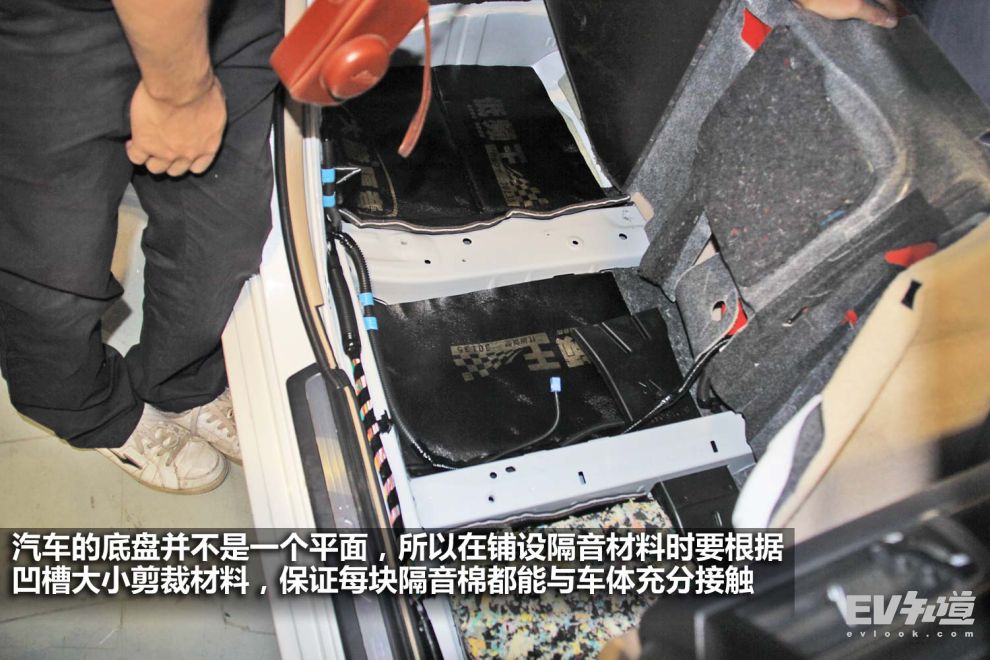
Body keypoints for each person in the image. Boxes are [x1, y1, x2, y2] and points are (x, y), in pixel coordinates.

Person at [0, 0, 281, 493]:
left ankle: (181, 381)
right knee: (52, 264)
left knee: (223, 233)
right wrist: (181, 98)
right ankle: (84, 409)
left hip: (232, 13)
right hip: (55, 21)